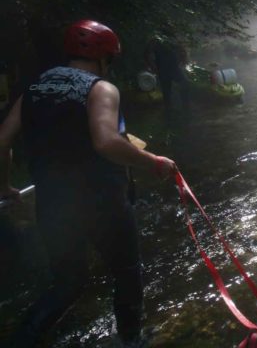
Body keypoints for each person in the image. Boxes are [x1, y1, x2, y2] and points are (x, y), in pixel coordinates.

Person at [0, 20, 178, 347]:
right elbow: (107, 142)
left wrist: (4, 187)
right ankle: (130, 339)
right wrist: (153, 162)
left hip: (53, 204)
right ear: (105, 56)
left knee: (67, 283)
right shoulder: (100, 88)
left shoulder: (36, 87)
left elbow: (2, 141)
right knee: (126, 270)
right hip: (102, 201)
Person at [144, 31, 191, 112]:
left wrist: (183, 61)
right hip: (163, 69)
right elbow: (147, 54)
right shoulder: (156, 40)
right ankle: (169, 110)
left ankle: (185, 106)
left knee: (184, 83)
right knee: (167, 91)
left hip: (174, 68)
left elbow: (182, 50)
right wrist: (152, 67)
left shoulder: (173, 39)